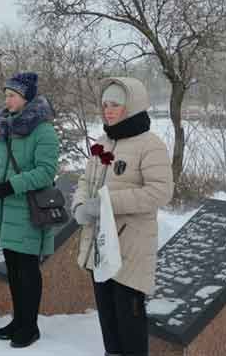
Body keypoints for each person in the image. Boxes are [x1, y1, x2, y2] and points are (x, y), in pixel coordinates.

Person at [73, 78, 173, 356]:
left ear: (132, 105)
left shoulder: (150, 145)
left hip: (131, 246)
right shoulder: (103, 142)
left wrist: (106, 203)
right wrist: (81, 204)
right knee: (107, 317)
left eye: (115, 104)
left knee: (129, 319)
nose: (108, 110)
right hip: (99, 244)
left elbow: (160, 192)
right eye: (105, 104)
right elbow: (85, 180)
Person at [0, 72, 59, 349]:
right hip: (6, 210)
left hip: (28, 211)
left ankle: (30, 326)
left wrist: (10, 186)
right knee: (13, 269)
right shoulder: (3, 126)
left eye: (12, 95)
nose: (7, 100)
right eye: (6, 95)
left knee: (27, 270)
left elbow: (46, 172)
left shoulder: (43, 131)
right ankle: (18, 320)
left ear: (26, 99)